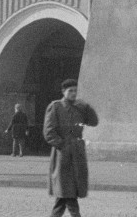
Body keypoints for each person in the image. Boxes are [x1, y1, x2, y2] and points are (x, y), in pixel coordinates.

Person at [44, 78, 99, 217]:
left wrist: (87, 107)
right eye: (70, 91)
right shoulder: (55, 107)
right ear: (63, 92)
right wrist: (62, 145)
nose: (73, 93)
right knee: (69, 193)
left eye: (75, 91)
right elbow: (48, 132)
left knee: (65, 195)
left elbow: (93, 122)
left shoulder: (80, 107)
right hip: (63, 156)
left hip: (77, 154)